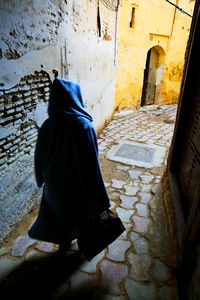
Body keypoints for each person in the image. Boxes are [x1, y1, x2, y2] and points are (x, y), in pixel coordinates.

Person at [28, 78, 111, 254]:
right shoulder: (83, 126)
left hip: (54, 188)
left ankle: (63, 243)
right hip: (76, 189)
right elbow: (91, 165)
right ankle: (83, 243)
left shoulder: (47, 125)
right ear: (76, 97)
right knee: (79, 217)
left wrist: (40, 178)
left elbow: (39, 156)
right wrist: (99, 197)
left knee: (60, 218)